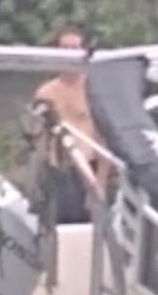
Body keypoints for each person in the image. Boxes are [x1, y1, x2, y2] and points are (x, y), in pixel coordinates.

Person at [32, 27, 106, 223]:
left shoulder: (94, 91)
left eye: (74, 48)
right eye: (65, 48)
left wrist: (100, 182)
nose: (69, 53)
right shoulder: (45, 93)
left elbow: (104, 139)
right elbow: (37, 138)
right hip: (55, 171)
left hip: (86, 170)